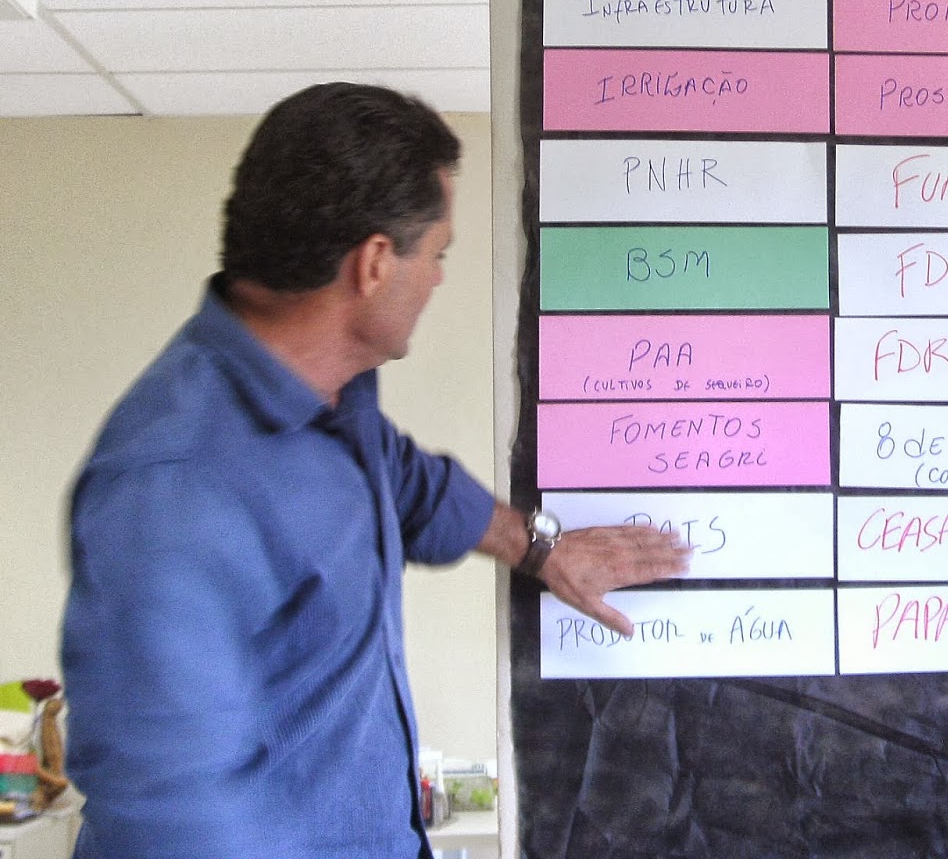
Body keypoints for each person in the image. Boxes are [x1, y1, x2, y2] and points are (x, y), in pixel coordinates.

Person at [59, 82, 689, 859]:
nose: (439, 278)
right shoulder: (175, 488)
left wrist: (537, 546)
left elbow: (404, 482)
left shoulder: (328, 397)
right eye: (438, 254)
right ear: (375, 263)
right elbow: (169, 814)